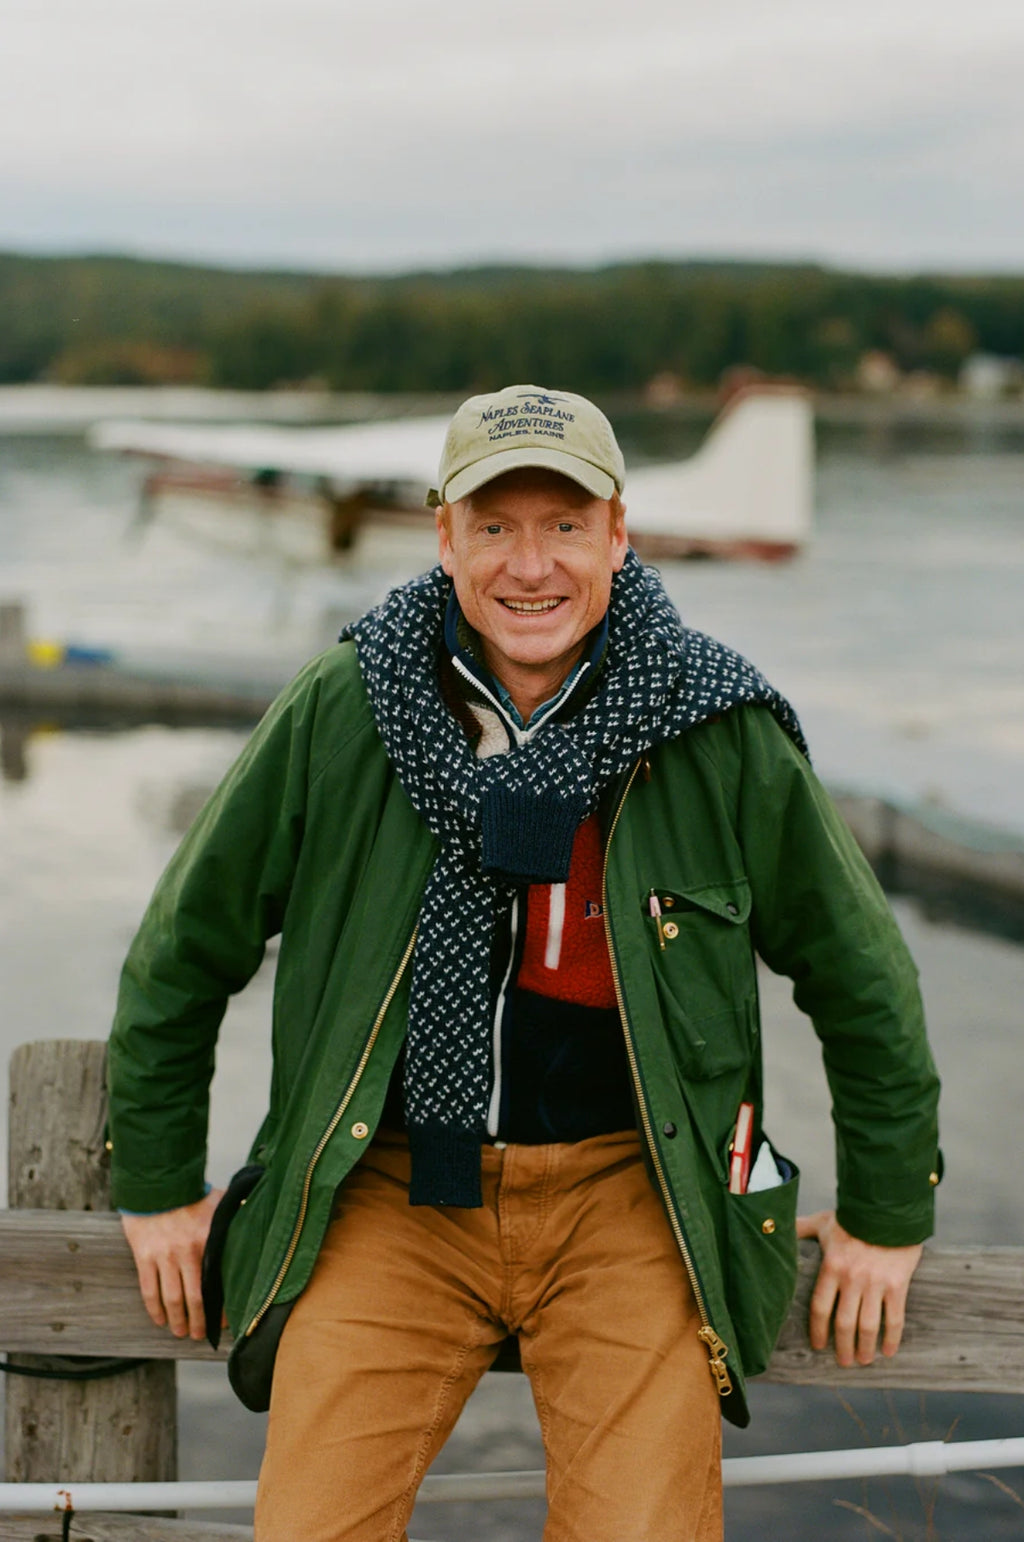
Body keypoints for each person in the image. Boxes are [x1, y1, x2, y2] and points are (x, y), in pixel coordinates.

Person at [109, 383, 941, 1542]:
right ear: (443, 535)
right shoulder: (343, 703)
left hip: (627, 1192)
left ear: (617, 533)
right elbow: (182, 950)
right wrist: (152, 1187)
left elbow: (860, 976)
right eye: (494, 526)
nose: (528, 565)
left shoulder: (717, 723)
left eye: (562, 525)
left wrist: (888, 1213)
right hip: (390, 1190)